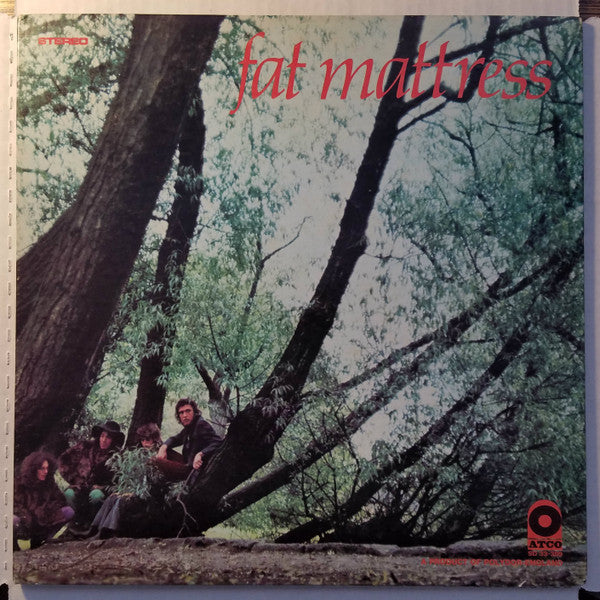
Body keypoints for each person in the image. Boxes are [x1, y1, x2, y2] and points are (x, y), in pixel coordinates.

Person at [58, 420, 125, 529]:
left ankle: (91, 525)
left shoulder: (117, 456)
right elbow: (63, 460)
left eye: (108, 438)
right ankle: (73, 523)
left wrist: (102, 488)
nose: (104, 440)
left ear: (113, 440)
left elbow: (119, 482)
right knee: (69, 494)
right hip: (80, 487)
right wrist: (74, 479)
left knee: (96, 496)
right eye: (102, 436)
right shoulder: (85, 446)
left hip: (99, 491)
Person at [13, 451, 74, 549]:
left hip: (44, 520)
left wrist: (46, 510)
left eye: (47, 468)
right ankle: (14, 548)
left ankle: (44, 540)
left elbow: (61, 501)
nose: (46, 471)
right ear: (33, 469)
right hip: (26, 522)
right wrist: (28, 516)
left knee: (68, 511)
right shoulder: (20, 483)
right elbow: (15, 506)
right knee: (13, 520)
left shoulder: (49, 482)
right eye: (42, 468)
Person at [153, 398, 222, 482]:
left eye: (188, 411)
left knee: (156, 461)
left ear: (194, 412)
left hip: (192, 471)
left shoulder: (201, 424)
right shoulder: (189, 427)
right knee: (162, 449)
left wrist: (201, 454)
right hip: (187, 463)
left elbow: (218, 442)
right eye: (181, 412)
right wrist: (163, 447)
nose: (185, 415)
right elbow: (175, 439)